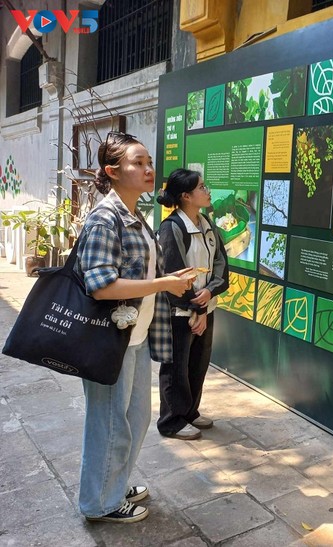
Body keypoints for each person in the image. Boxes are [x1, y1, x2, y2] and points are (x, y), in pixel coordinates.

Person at [74, 132, 193, 523]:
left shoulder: (135, 213)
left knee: (136, 418)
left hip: (137, 337)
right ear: (112, 171)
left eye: (148, 162)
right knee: (110, 423)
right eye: (138, 163)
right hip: (111, 339)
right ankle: (99, 503)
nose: (148, 169)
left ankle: (115, 482)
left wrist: (170, 277)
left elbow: (140, 270)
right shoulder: (105, 217)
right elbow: (101, 283)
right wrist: (163, 284)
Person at [156, 168, 228, 441]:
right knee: (176, 366)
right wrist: (196, 308)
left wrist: (209, 294)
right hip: (180, 310)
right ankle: (171, 420)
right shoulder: (172, 227)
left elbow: (220, 263)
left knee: (198, 362)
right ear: (186, 196)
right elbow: (173, 274)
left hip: (204, 306)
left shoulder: (206, 222)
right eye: (201, 187)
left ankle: (189, 411)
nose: (207, 191)